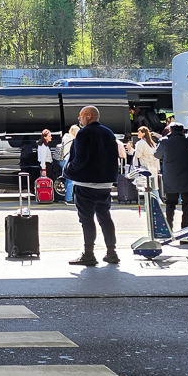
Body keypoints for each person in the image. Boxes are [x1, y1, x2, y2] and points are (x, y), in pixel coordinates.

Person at [63, 105, 119, 267]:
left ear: (88, 116)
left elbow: (80, 159)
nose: (79, 118)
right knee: (105, 218)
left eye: (80, 115)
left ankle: (89, 254)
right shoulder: (108, 133)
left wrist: (67, 171)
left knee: (87, 219)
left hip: (85, 183)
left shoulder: (84, 133)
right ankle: (111, 252)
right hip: (105, 183)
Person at [156, 116, 188, 232]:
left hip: (171, 178)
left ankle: (169, 230)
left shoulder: (164, 141)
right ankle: (185, 231)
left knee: (170, 204)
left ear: (170, 130)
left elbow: (157, 155)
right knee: (187, 205)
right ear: (182, 130)